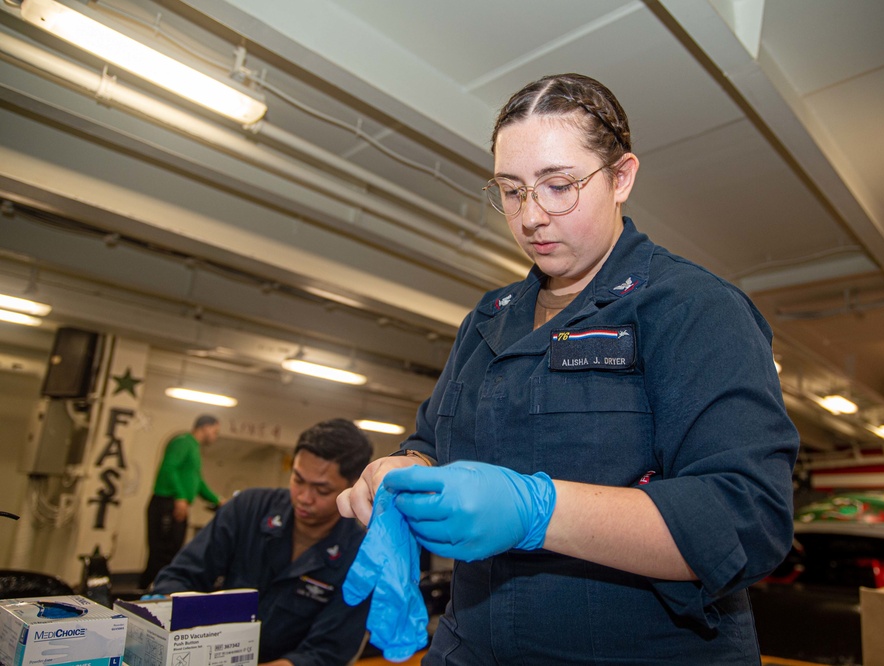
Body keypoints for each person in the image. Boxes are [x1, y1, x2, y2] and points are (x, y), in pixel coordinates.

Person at [338, 73, 800, 664]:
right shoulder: (489, 317)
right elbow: (431, 441)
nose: (530, 217)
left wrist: (539, 512)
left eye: (558, 185)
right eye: (510, 190)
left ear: (621, 177)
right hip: (472, 647)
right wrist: (401, 473)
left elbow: (745, 519)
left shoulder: (690, 308)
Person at [152, 418, 374, 666]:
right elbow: (180, 576)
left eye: (321, 490)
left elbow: (328, 652)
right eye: (298, 479)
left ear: (352, 488)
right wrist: (170, 608)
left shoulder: (361, 557)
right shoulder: (247, 508)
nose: (304, 497)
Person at [140, 414, 221, 589]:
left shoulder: (194, 448)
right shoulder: (183, 441)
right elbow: (169, 467)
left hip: (177, 504)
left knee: (172, 554)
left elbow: (197, 482)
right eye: (215, 431)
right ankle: (143, 597)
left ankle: (161, 592)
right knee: (161, 555)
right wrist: (180, 497)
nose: (215, 436)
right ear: (205, 427)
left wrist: (218, 501)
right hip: (166, 504)